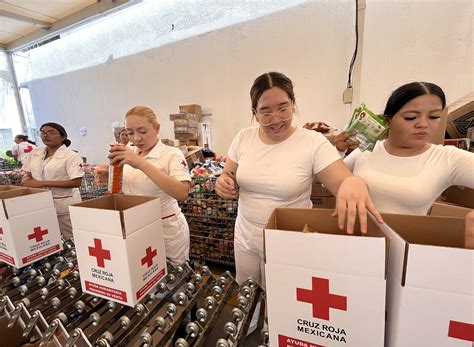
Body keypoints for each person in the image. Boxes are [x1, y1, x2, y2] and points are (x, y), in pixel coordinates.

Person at [216, 72, 383, 288]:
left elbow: (342, 179)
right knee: (246, 290)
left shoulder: (312, 142)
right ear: (254, 113)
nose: (276, 119)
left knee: (279, 297)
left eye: (283, 108)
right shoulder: (243, 138)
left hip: (287, 239)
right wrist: (223, 180)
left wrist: (353, 183)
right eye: (265, 112)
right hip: (245, 234)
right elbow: (228, 173)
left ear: (293, 105)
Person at [344, 82, 474, 246]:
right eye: (411, 117)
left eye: (434, 117)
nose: (423, 124)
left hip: (408, 252)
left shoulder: (447, 158)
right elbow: (331, 180)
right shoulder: (367, 149)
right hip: (356, 245)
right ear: (388, 120)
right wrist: (350, 179)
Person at [108, 106, 191, 265]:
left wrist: (140, 163)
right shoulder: (128, 151)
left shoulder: (171, 154)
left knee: (172, 278)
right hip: (137, 226)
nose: (136, 139)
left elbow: (182, 193)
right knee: (146, 273)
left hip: (166, 227)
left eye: (143, 131)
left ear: (157, 128)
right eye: (130, 133)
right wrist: (110, 176)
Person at [21, 123, 84, 240]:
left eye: (51, 132)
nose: (46, 135)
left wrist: (42, 183)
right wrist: (26, 180)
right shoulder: (35, 153)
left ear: (63, 136)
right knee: (48, 236)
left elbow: (76, 182)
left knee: (70, 237)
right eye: (43, 133)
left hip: (63, 205)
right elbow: (27, 173)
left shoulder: (71, 156)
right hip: (40, 202)